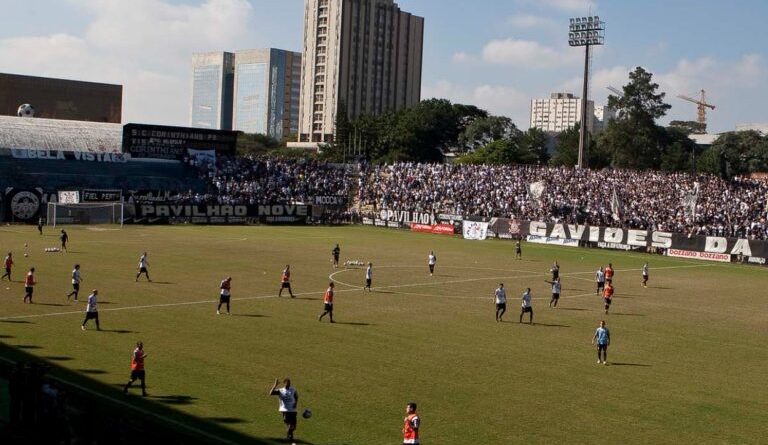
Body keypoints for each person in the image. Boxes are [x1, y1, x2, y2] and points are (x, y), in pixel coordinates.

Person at [269, 378, 299, 443]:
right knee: (289, 425)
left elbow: (296, 396)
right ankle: (289, 438)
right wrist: (275, 385)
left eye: (289, 383)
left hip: (293, 410)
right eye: (287, 383)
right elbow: (271, 393)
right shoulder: (280, 390)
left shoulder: (293, 389)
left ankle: (290, 436)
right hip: (285, 410)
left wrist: (295, 403)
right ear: (284, 383)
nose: (289, 385)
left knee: (293, 427)